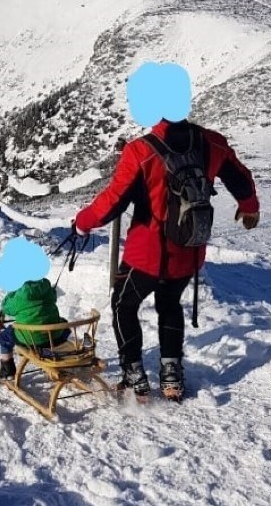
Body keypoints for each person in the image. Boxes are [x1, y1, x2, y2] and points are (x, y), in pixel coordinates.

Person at [74, 62, 260, 401]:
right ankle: (172, 375)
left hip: (146, 255)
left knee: (122, 305)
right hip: (189, 251)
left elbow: (112, 203)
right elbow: (239, 177)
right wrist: (250, 206)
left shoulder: (141, 152)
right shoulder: (211, 143)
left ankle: (134, 374)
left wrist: (82, 222)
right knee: (170, 305)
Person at [0, 277, 68, 378]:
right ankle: (50, 349)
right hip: (55, 337)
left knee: (4, 337)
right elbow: (54, 296)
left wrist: (12, 293)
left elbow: (6, 308)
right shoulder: (45, 285)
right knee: (64, 323)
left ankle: (8, 370)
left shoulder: (20, 294)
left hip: (30, 339)